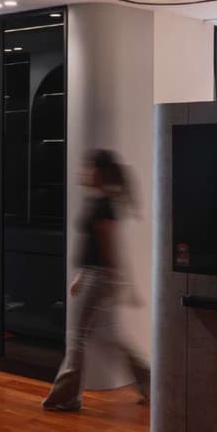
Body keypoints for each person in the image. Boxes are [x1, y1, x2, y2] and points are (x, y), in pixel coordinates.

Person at [43, 149, 152, 411]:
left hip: (100, 277)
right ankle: (149, 381)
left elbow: (108, 247)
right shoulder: (100, 202)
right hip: (96, 276)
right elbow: (94, 247)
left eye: (88, 167)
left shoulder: (104, 205)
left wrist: (120, 282)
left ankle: (66, 396)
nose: (82, 172)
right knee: (108, 337)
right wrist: (82, 276)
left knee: (76, 337)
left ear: (99, 173)